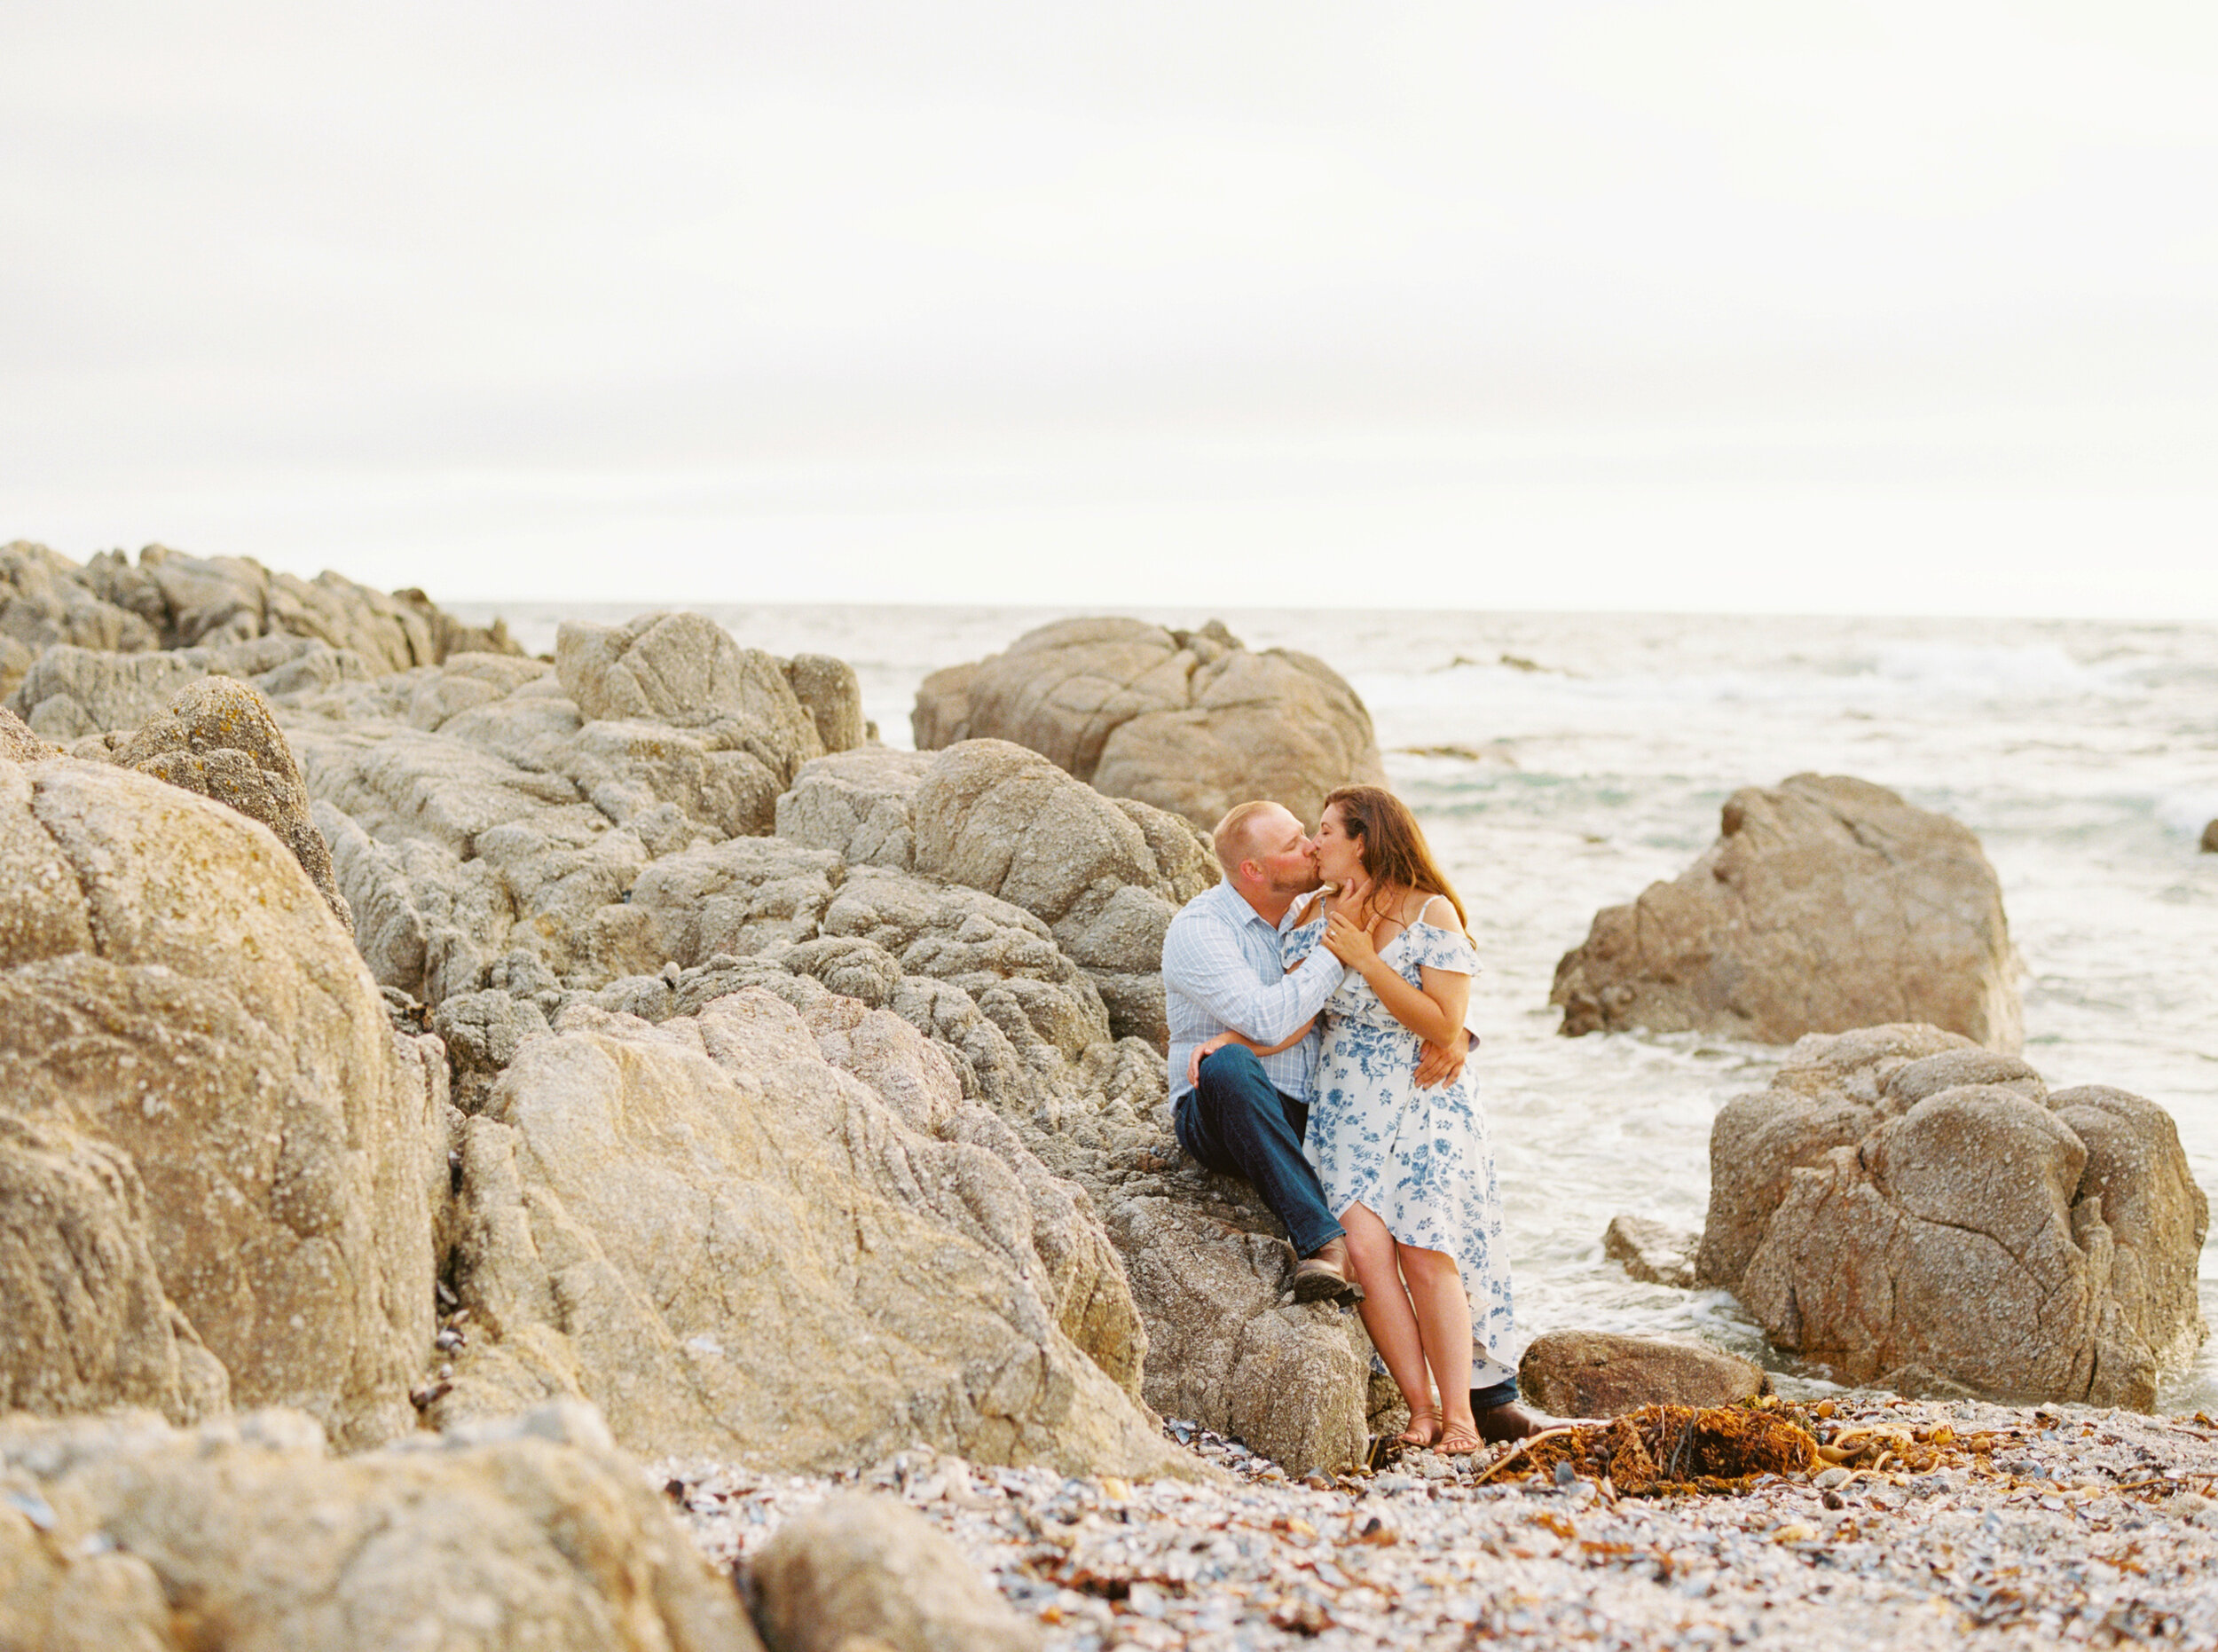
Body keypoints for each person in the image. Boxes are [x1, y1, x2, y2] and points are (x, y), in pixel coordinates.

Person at [1229, 785, 1538, 1450]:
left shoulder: (1431, 911)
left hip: (1427, 1097)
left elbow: (1444, 1022)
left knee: (1426, 1250)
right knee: (1367, 1254)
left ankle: (1460, 1416)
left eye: (1326, 832)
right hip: (1346, 1101)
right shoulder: (1312, 912)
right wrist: (1233, 1048)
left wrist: (1367, 960)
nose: (1314, 845)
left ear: (1363, 840)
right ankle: (1418, 1410)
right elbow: (1297, 1017)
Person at [1161, 800, 1472, 1306]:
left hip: (1318, 1112)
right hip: (1222, 1111)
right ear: (1253, 870)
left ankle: (1474, 1371)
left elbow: (1404, 968)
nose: (1311, 846)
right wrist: (1333, 950)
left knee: (1421, 1222)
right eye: (1293, 844)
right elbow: (1267, 1020)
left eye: (1309, 832)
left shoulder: (1314, 908)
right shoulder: (1201, 930)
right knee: (1229, 1064)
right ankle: (1324, 1247)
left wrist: (1452, 1029)